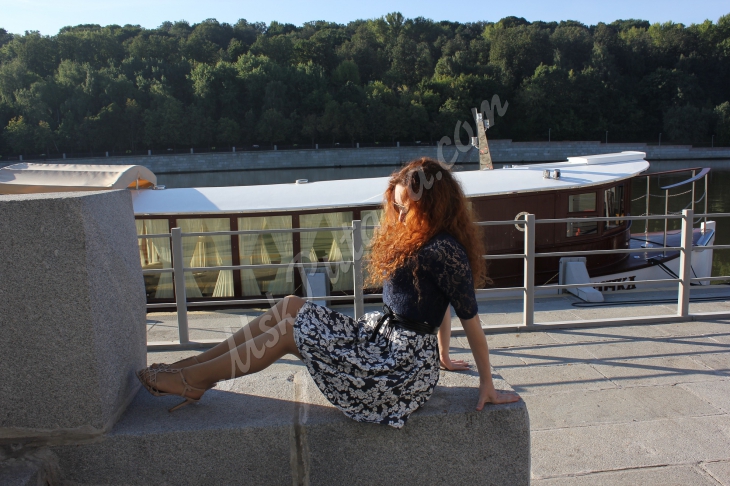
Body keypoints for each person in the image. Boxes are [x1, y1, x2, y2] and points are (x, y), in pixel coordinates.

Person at [137, 157, 519, 427]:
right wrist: (443, 354)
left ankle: (194, 381)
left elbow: (469, 319)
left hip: (398, 373)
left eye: (406, 209)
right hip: (380, 342)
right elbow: (438, 304)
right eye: (397, 207)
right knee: (290, 306)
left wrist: (486, 383)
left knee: (288, 332)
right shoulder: (418, 240)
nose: (399, 216)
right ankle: (192, 368)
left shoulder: (446, 251)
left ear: (432, 205)